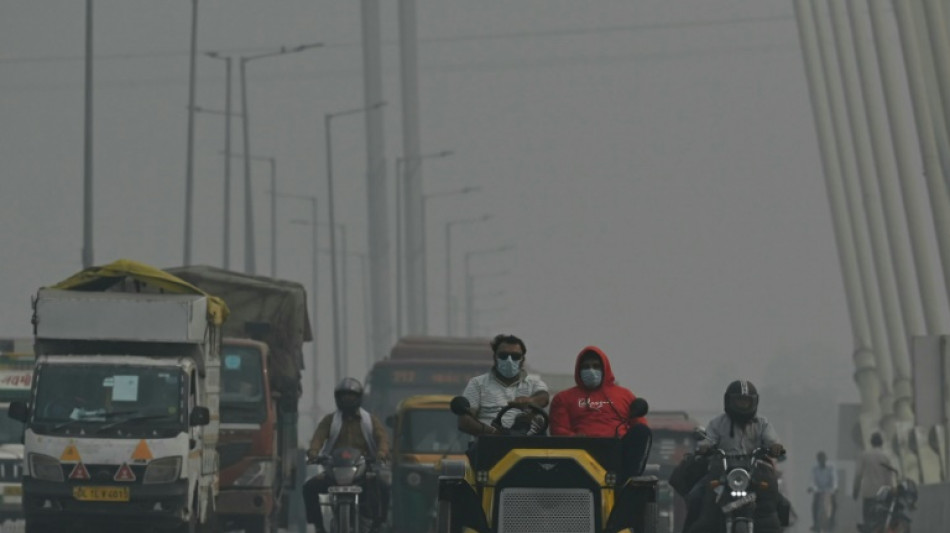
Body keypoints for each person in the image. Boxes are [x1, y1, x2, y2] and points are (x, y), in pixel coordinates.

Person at [684, 380, 787, 533]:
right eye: (739, 401)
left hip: (755, 472)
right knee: (695, 497)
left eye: (746, 401)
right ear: (729, 401)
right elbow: (708, 440)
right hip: (721, 472)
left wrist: (775, 447)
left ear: (754, 402)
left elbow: (772, 441)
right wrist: (705, 447)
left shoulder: (762, 424)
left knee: (782, 503)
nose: (742, 405)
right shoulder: (717, 423)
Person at [549, 346, 653, 482]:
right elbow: (558, 430)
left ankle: (626, 484)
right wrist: (573, 437)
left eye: (596, 366)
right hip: (582, 453)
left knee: (642, 431)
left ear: (605, 369)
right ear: (578, 370)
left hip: (618, 453)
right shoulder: (563, 398)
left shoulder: (624, 395)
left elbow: (639, 424)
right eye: (586, 367)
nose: (591, 370)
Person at [303, 378, 391, 533]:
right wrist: (313, 453)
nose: (347, 400)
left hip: (363, 471)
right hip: (334, 471)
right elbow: (318, 437)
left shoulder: (369, 420)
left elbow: (381, 437)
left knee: (383, 488)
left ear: (359, 398)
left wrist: (381, 453)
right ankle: (317, 525)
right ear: (338, 398)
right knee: (309, 487)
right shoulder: (330, 420)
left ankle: (378, 524)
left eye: (351, 396)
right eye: (344, 396)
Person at [457, 333, 549, 436]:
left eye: (515, 356)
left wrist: (530, 401)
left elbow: (544, 397)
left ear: (522, 359)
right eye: (503, 356)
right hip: (489, 446)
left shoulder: (534, 382)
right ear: (495, 357)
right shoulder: (477, 384)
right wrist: (494, 433)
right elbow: (464, 421)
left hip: (528, 446)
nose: (509, 361)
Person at [852, 432, 895, 530]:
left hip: (868, 494)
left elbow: (858, 475)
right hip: (882, 496)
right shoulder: (886, 457)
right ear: (881, 443)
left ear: (871, 443)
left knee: (868, 522)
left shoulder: (864, 455)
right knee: (881, 523)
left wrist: (855, 490)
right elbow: (889, 478)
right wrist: (891, 494)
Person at [809, 451, 837, 531]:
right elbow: (812, 480)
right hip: (819, 490)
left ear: (826, 459)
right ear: (818, 460)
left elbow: (834, 479)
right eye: (820, 460)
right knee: (814, 505)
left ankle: (832, 520)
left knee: (834, 504)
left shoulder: (831, 467)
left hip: (829, 489)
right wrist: (811, 487)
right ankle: (815, 523)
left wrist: (835, 488)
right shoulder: (815, 468)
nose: (822, 462)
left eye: (823, 460)